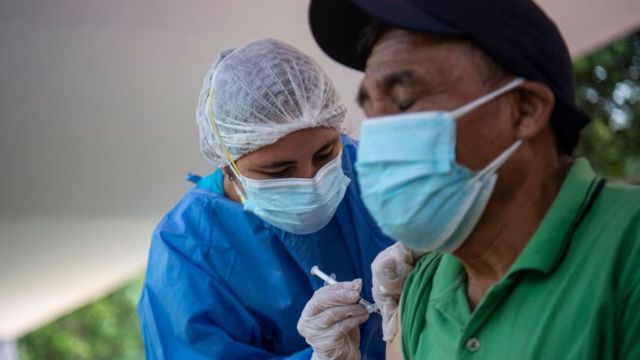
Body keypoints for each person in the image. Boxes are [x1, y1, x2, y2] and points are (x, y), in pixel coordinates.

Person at [308, 0, 640, 359]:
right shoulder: (424, 284)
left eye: (404, 100)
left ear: (525, 109)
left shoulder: (627, 251)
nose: (377, 134)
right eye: (370, 110)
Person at [137, 38, 392, 359]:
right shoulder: (186, 250)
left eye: (325, 153)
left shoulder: (374, 170)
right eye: (278, 171)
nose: (310, 181)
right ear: (227, 166)